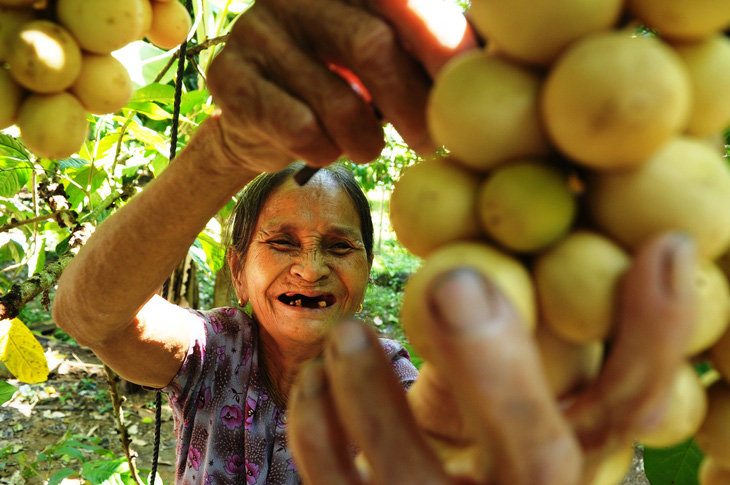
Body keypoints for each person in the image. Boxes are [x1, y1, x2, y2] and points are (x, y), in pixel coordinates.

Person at [53, 0, 696, 484]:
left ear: (367, 267)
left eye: (339, 247)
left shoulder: (392, 381)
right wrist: (220, 153)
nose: (311, 268)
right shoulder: (212, 352)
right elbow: (89, 316)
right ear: (238, 267)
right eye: (282, 242)